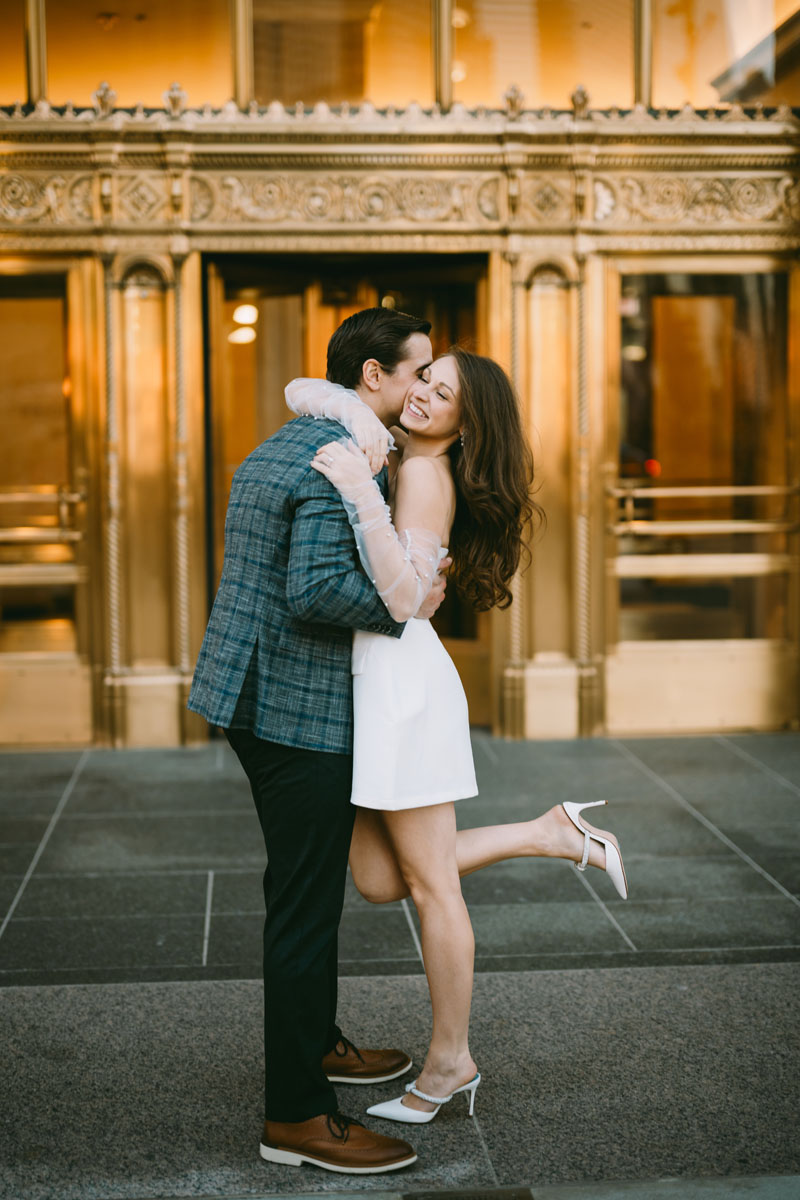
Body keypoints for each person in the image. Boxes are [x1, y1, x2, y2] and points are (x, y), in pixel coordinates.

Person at [288, 345, 628, 1125]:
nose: (423, 398)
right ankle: (551, 832)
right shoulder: (401, 454)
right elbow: (303, 389)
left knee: (434, 888)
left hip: (402, 687)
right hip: (383, 682)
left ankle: (450, 1064)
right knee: (379, 880)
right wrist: (344, 411)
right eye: (424, 381)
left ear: (467, 423)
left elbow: (402, 594)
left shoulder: (421, 477)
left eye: (443, 395)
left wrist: (355, 492)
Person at [188, 308, 452, 1175]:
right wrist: (408, 600)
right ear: (372, 376)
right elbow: (315, 591)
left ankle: (319, 1040)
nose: (422, 389)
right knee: (303, 908)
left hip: (254, 695)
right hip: (292, 713)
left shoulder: (293, 437)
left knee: (299, 894)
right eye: (416, 372)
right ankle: (297, 1117)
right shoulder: (341, 462)